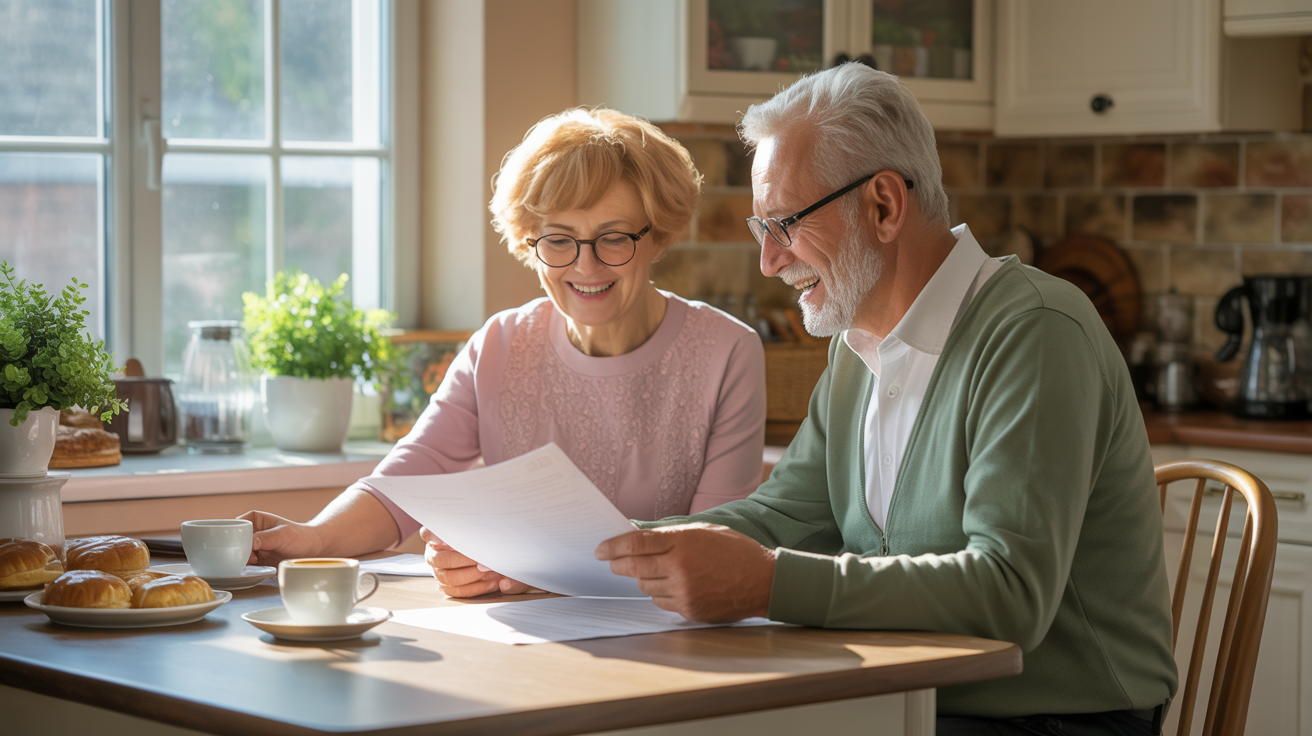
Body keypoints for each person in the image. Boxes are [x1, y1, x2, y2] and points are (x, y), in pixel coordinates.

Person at [595, 64, 1178, 734]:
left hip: (1059, 718)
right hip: (914, 698)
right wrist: (571, 555)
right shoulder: (857, 348)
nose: (770, 260)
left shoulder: (1037, 331)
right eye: (764, 229)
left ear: (883, 205)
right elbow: (783, 517)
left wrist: (767, 583)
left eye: (784, 223)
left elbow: (1011, 594)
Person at [242, 108, 767, 597]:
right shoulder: (499, 344)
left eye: (614, 238)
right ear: (528, 239)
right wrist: (311, 539)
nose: (586, 266)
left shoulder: (728, 352)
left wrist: (531, 570)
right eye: (559, 240)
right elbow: (410, 477)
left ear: (659, 237)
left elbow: (712, 544)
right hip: (521, 642)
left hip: (675, 643)